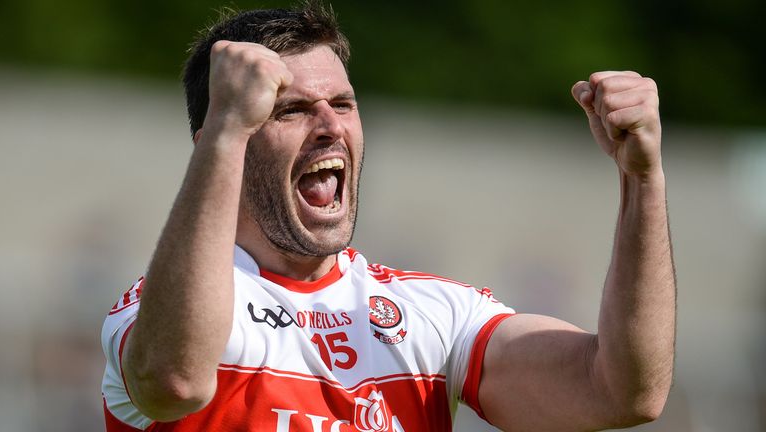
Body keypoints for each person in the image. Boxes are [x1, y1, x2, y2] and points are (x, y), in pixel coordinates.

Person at [101, 2, 676, 431]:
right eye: (292, 110)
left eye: (344, 104)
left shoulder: (433, 315)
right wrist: (226, 127)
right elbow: (173, 383)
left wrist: (642, 180)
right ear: (222, 140)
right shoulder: (163, 312)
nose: (330, 126)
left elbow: (621, 390)